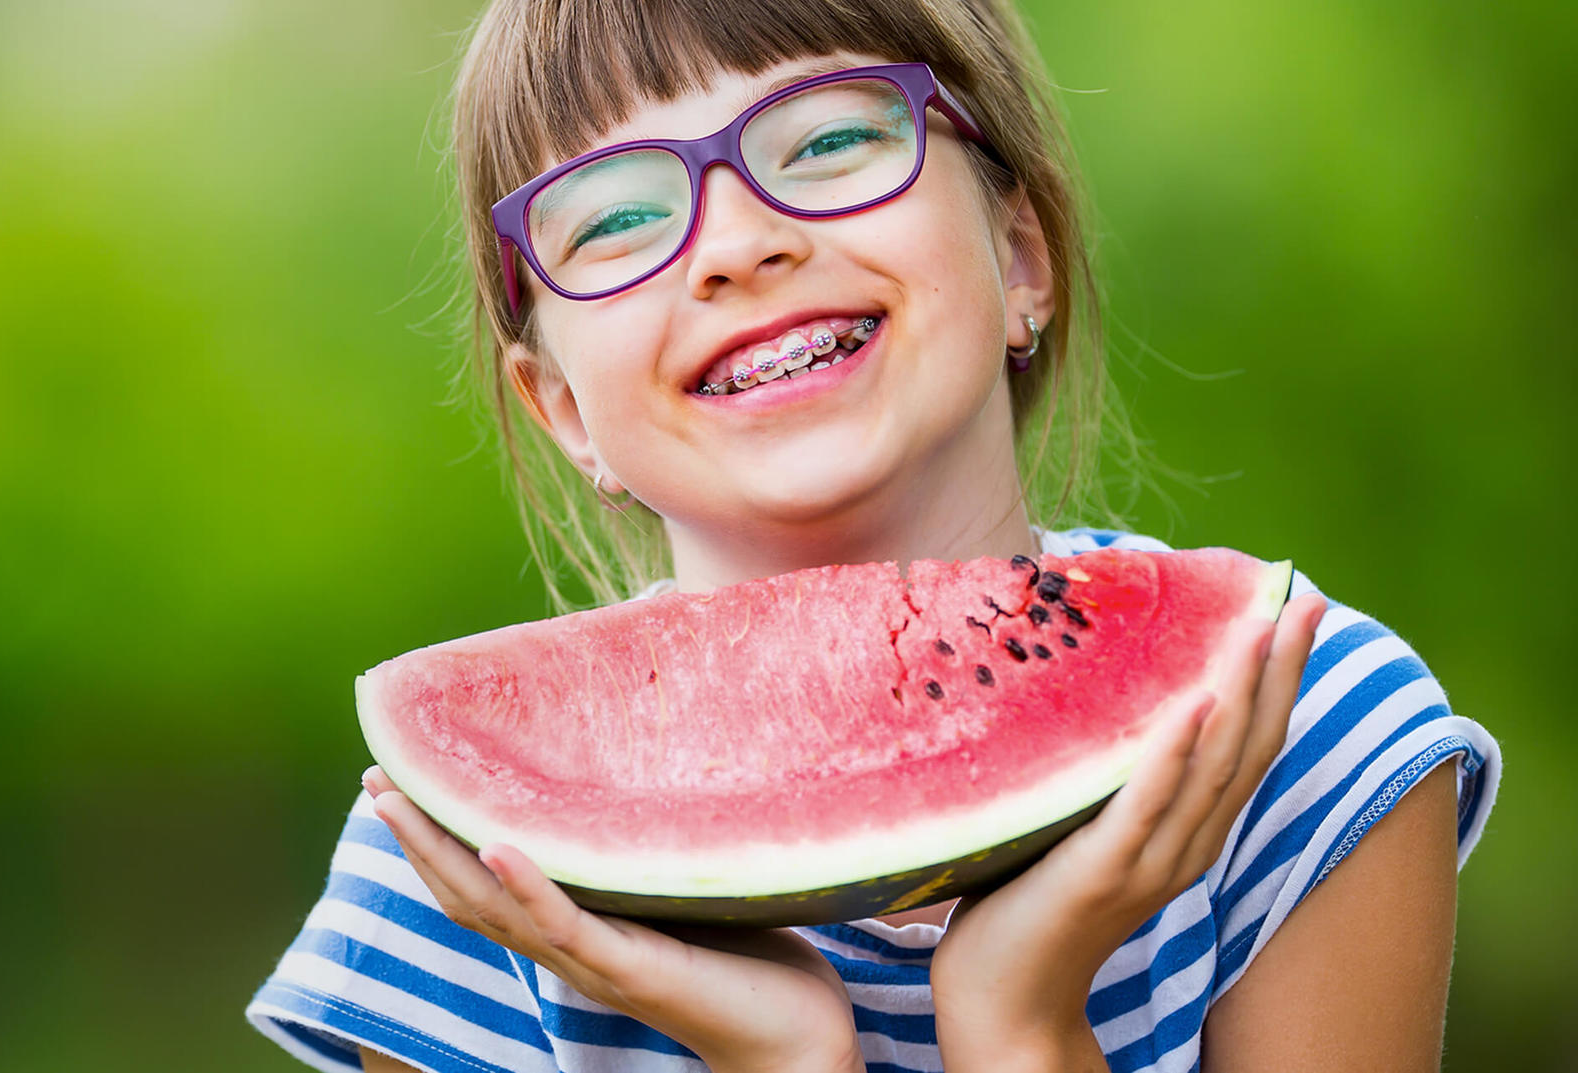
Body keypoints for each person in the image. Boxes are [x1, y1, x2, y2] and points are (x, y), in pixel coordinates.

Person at [245, 1, 1501, 1070]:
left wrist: (1021, 1026)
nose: (738, 245)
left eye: (834, 138)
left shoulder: (1309, 732)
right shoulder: (465, 869)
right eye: (617, 219)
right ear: (566, 411)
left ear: (1022, 256)